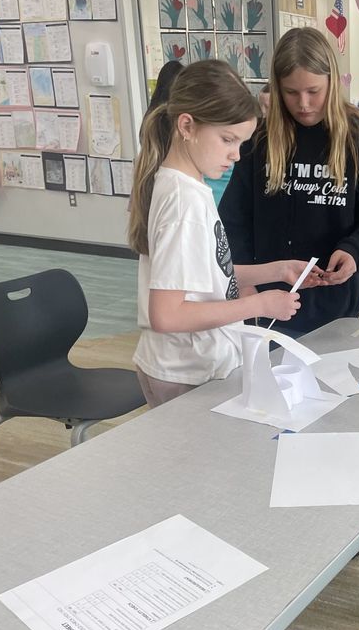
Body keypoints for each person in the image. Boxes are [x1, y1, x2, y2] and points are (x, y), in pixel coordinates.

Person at [128, 59, 325, 408]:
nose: (236, 156)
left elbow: (207, 276)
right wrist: (260, 303)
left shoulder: (190, 187)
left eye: (241, 143)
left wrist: (276, 271)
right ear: (187, 126)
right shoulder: (182, 202)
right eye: (227, 140)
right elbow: (167, 315)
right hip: (183, 373)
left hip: (193, 367)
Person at [219, 28, 359, 336]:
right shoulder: (257, 142)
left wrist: (355, 252)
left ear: (332, 81)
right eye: (290, 92)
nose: (303, 104)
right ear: (276, 88)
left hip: (337, 307)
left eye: (313, 91)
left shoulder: (355, 138)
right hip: (268, 305)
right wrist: (244, 287)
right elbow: (234, 224)